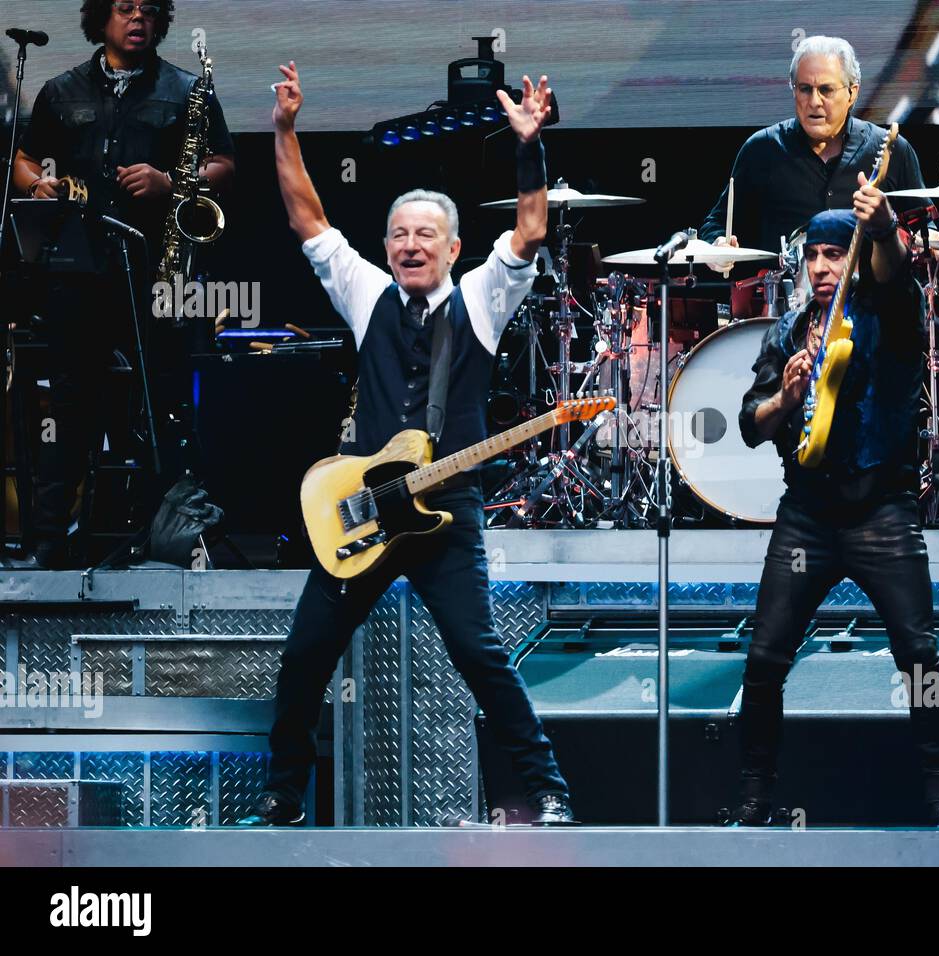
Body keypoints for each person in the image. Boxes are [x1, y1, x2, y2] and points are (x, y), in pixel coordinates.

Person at [237, 61, 573, 826]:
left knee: (481, 657)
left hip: (445, 515)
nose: (410, 245)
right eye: (399, 234)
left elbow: (529, 229)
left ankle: (547, 789)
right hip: (361, 512)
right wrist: (284, 129)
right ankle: (283, 794)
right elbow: (307, 219)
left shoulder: (483, 301)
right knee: (303, 660)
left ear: (454, 249)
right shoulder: (368, 296)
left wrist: (530, 147)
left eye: (427, 235)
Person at [732, 197, 939, 827]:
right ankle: (754, 801)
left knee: (918, 654)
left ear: (855, 257)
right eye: (811, 256)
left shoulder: (886, 311)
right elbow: (751, 427)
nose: (820, 267)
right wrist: (786, 395)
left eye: (833, 254)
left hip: (881, 511)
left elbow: (897, 273)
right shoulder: (787, 330)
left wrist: (884, 224)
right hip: (807, 515)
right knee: (764, 657)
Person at [10, 0, 235, 568]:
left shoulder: (187, 89)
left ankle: (167, 540)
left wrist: (172, 181)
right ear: (100, 19)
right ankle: (49, 544)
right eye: (124, 7)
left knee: (162, 404)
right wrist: (39, 185)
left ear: (161, 22)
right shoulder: (62, 90)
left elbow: (225, 164)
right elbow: (24, 159)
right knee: (68, 405)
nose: (137, 18)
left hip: (157, 268)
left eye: (148, 9)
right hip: (77, 272)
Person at [699, 35, 933, 316]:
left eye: (826, 89)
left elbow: (931, 231)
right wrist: (719, 245)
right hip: (782, 320)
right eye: (805, 89)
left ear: (852, 92)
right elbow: (715, 224)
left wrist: (913, 237)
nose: (814, 101)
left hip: (873, 319)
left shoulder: (891, 151)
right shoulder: (761, 150)